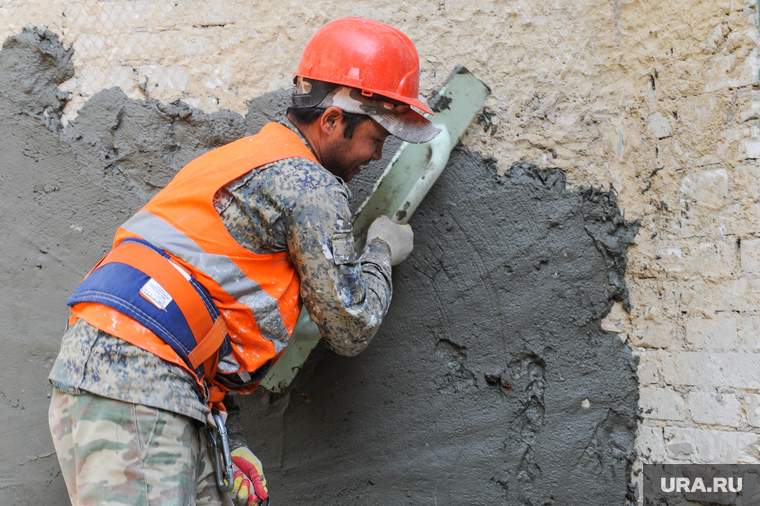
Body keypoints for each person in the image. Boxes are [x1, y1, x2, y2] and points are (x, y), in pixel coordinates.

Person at [47, 17, 441, 506]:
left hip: (129, 376)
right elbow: (350, 325)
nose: (377, 156)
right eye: (377, 139)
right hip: (139, 384)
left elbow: (200, 309)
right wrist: (381, 249)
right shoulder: (308, 184)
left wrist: (222, 440)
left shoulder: (243, 158)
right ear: (334, 120)